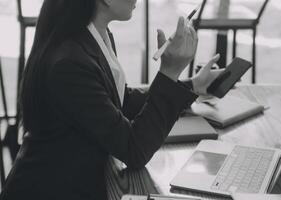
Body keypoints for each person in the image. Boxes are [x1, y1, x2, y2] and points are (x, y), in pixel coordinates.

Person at [0, 0, 223, 199]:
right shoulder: (69, 63)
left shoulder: (94, 35)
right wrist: (169, 72)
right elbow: (134, 149)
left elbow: (120, 101)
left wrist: (193, 85)